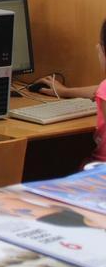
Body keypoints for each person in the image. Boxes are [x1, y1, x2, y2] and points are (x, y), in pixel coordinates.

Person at [34, 22, 106, 164]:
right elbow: (97, 90)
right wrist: (65, 91)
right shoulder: (103, 88)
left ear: (102, 49)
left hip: (98, 174)